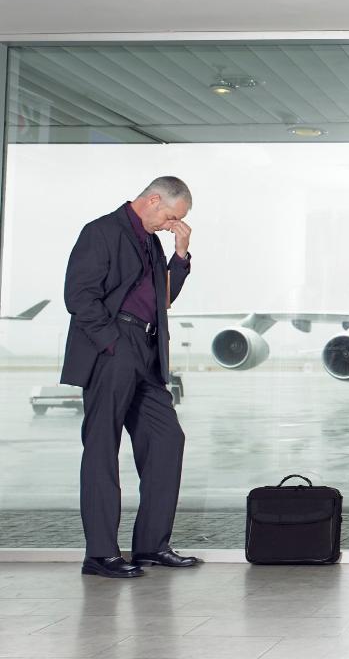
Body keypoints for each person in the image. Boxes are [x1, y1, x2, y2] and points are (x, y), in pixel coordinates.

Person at [62, 176, 198, 578]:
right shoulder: (102, 231)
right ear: (154, 199)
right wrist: (111, 343)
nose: (170, 224)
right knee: (103, 447)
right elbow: (79, 295)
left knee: (167, 438)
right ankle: (100, 554)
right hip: (114, 346)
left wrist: (181, 254)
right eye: (171, 216)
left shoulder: (152, 242)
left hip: (147, 351)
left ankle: (152, 546)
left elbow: (163, 298)